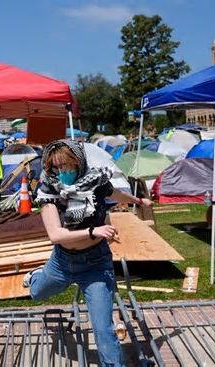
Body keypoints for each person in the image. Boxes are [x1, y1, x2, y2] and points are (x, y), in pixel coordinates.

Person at [22, 139, 153, 366]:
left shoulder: (95, 182)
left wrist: (139, 201)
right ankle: (35, 276)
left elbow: (117, 195)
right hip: (62, 263)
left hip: (95, 265)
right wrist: (94, 230)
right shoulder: (49, 191)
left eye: (68, 167)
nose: (63, 172)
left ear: (79, 163)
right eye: (58, 168)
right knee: (38, 293)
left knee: (104, 329)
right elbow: (56, 235)